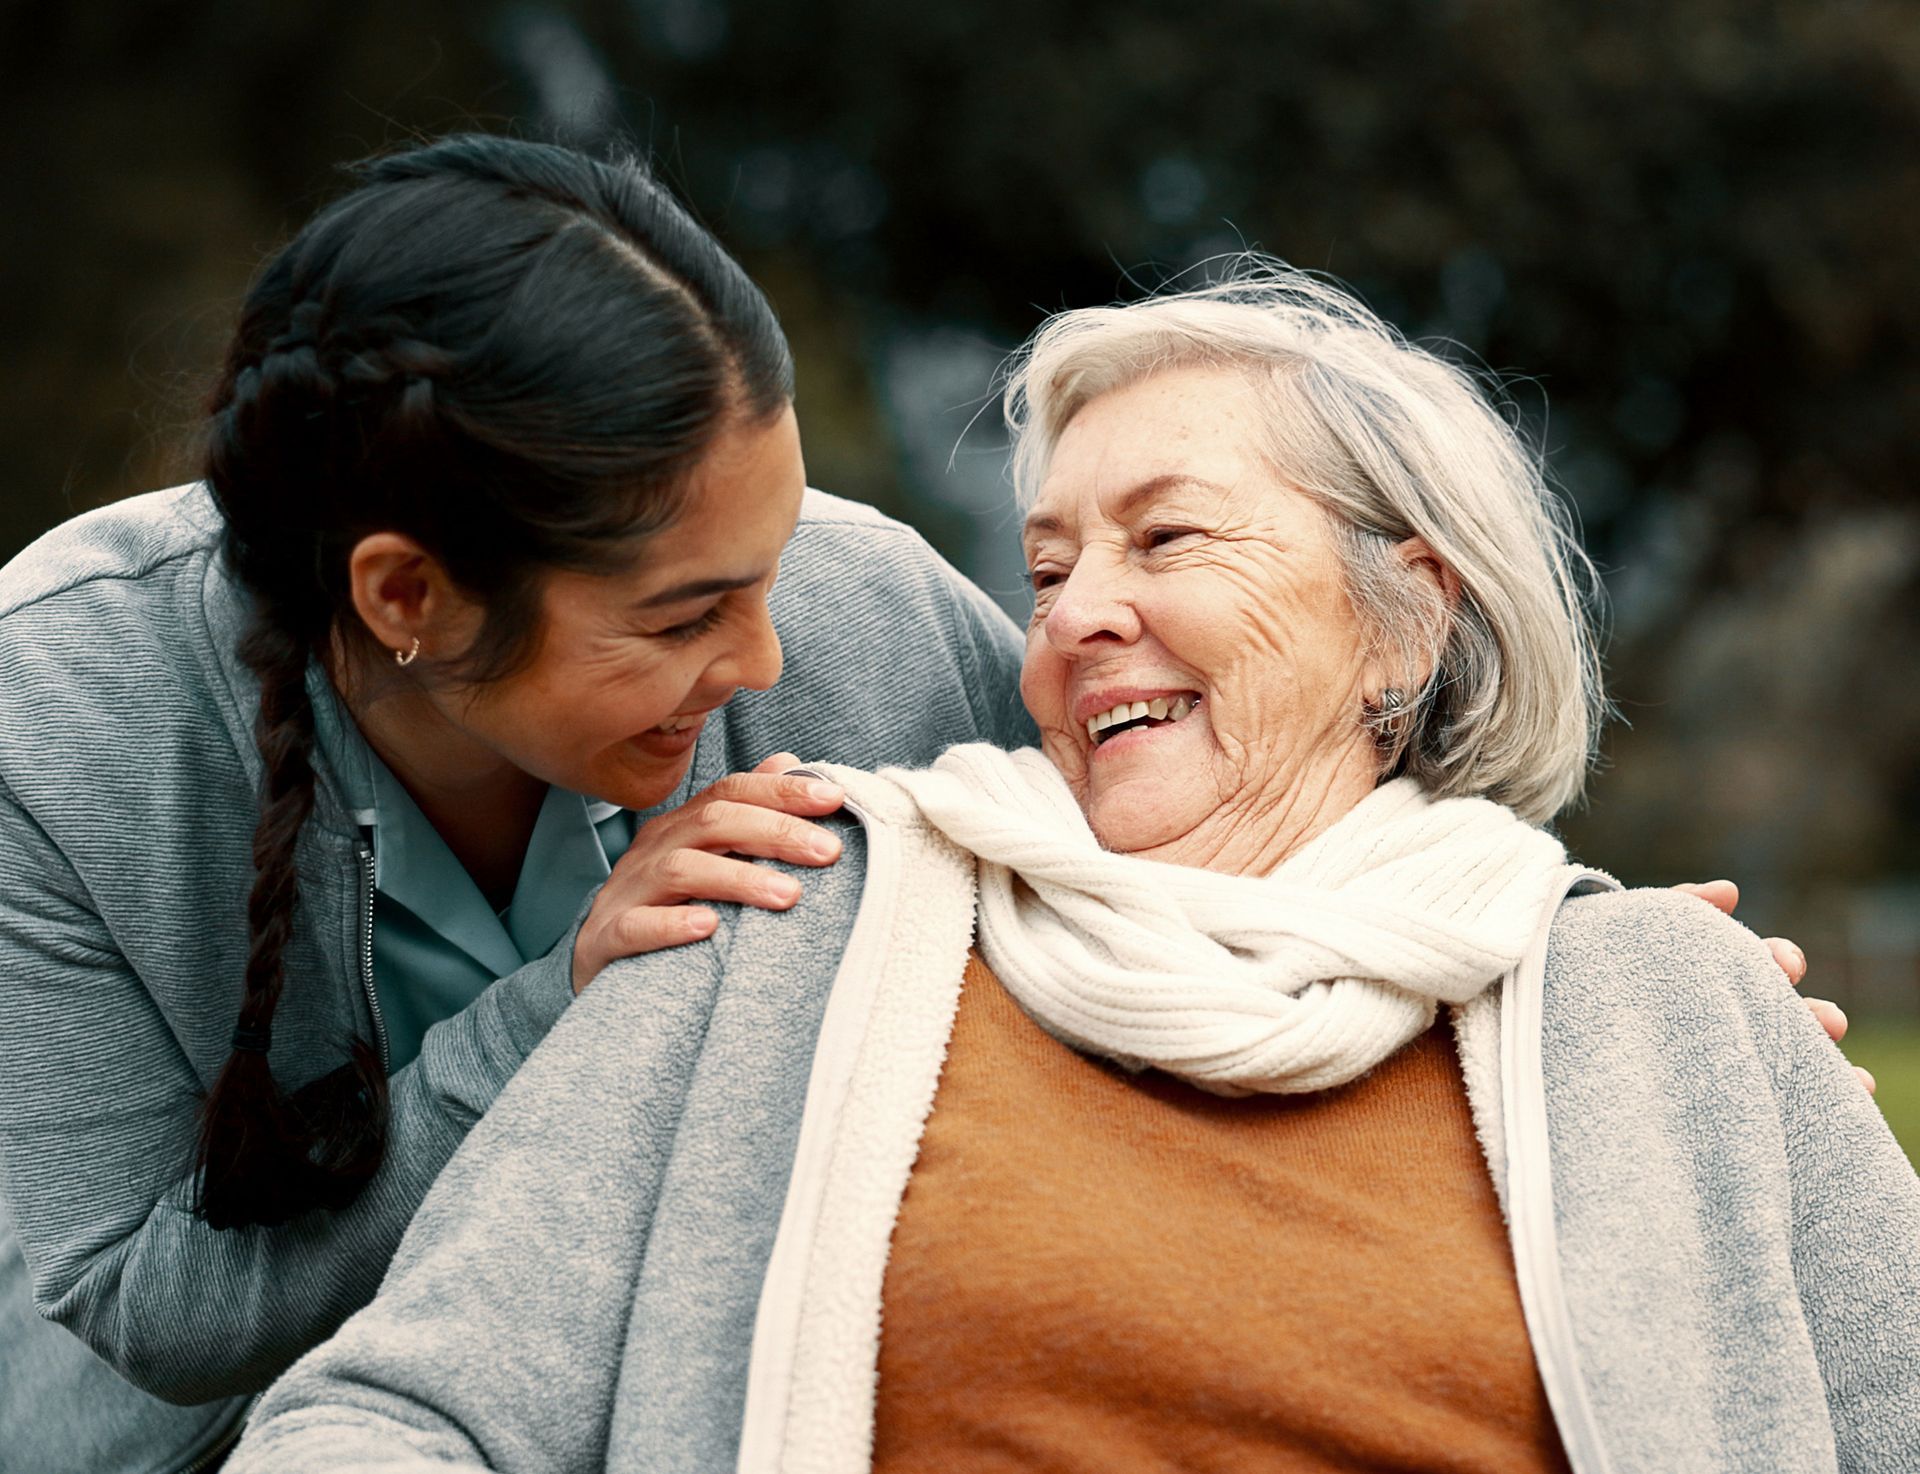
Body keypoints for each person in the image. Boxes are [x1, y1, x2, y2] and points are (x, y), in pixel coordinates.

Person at [226, 265, 1919, 1474]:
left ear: (1408, 615)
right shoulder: (792, 918)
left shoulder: (1658, 1003)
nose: (1077, 613)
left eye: (1165, 537)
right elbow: (399, 1415)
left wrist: (1695, 1018)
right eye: (1046, 568)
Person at [0, 135, 1031, 1474]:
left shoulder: (871, 613)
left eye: (770, 568)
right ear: (405, 598)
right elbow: (151, 1304)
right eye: (683, 617)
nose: (766, 662)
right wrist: (566, 1001)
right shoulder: (54, 712)